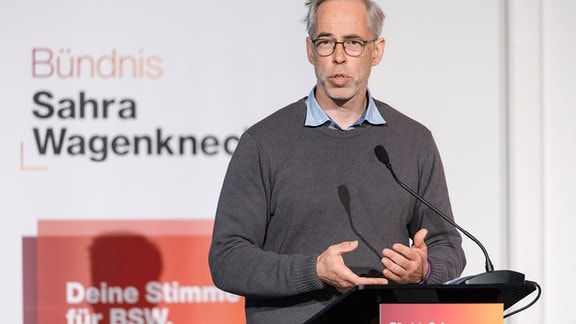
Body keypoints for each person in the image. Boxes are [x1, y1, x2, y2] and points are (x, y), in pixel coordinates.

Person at [208, 0, 466, 322]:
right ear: (310, 50)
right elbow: (227, 259)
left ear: (377, 50)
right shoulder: (263, 143)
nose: (339, 57)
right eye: (326, 42)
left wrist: (424, 270)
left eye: (354, 43)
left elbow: (447, 246)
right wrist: (313, 270)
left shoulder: (413, 142)